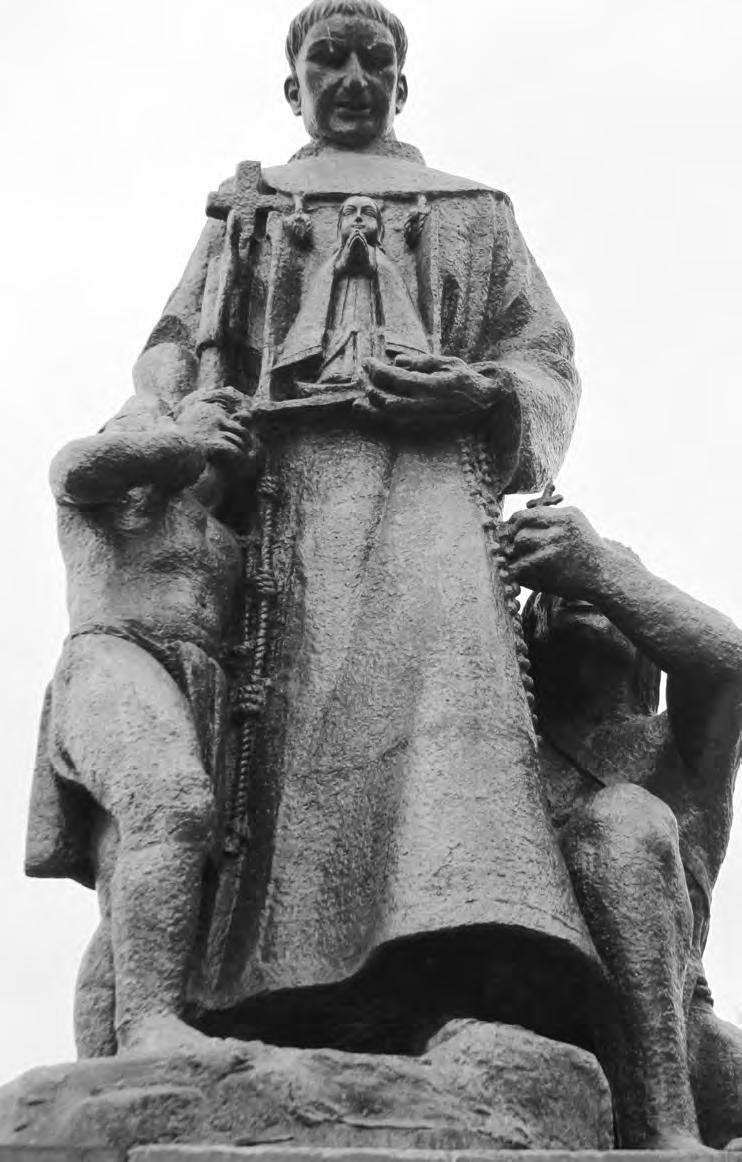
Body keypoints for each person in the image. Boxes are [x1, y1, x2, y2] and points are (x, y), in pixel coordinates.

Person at [129, 0, 599, 1049]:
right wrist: (179, 417)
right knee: (286, 736)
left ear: (401, 83)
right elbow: (170, 345)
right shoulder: (246, 208)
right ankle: (271, 986)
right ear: (293, 85)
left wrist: (480, 391)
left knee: (448, 715)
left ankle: (470, 953)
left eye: (373, 60)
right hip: (283, 501)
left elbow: (543, 357)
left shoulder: (474, 209)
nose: (351, 78)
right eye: (328, 59)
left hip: (434, 496)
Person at [25, 388, 258, 1056]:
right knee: (171, 801)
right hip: (113, 659)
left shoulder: (224, 535)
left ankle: (102, 1068)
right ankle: (148, 1023)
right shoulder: (106, 491)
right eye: (217, 408)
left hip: (198, 688)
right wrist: (186, 436)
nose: (229, 423)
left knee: (131, 882)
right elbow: (80, 468)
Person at [506, 501, 742, 1149]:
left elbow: (730, 667)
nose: (579, 596)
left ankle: (667, 1127)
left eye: (606, 594)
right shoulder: (503, 745)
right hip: (534, 1010)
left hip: (677, 1038)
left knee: (623, 820)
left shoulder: (680, 752)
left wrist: (596, 567)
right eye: (558, 594)